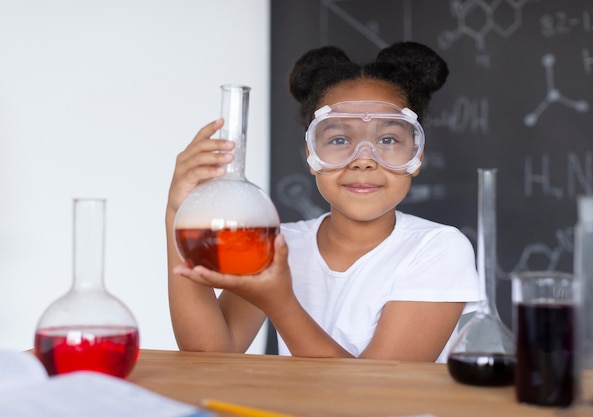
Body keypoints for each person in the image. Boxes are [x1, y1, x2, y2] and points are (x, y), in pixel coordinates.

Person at [166, 41, 481, 362]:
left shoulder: (438, 249)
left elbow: (376, 397)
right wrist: (178, 210)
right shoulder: (279, 245)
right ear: (311, 155)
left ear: (416, 156)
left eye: (387, 139)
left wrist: (281, 303)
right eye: (339, 139)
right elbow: (209, 353)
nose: (363, 160)